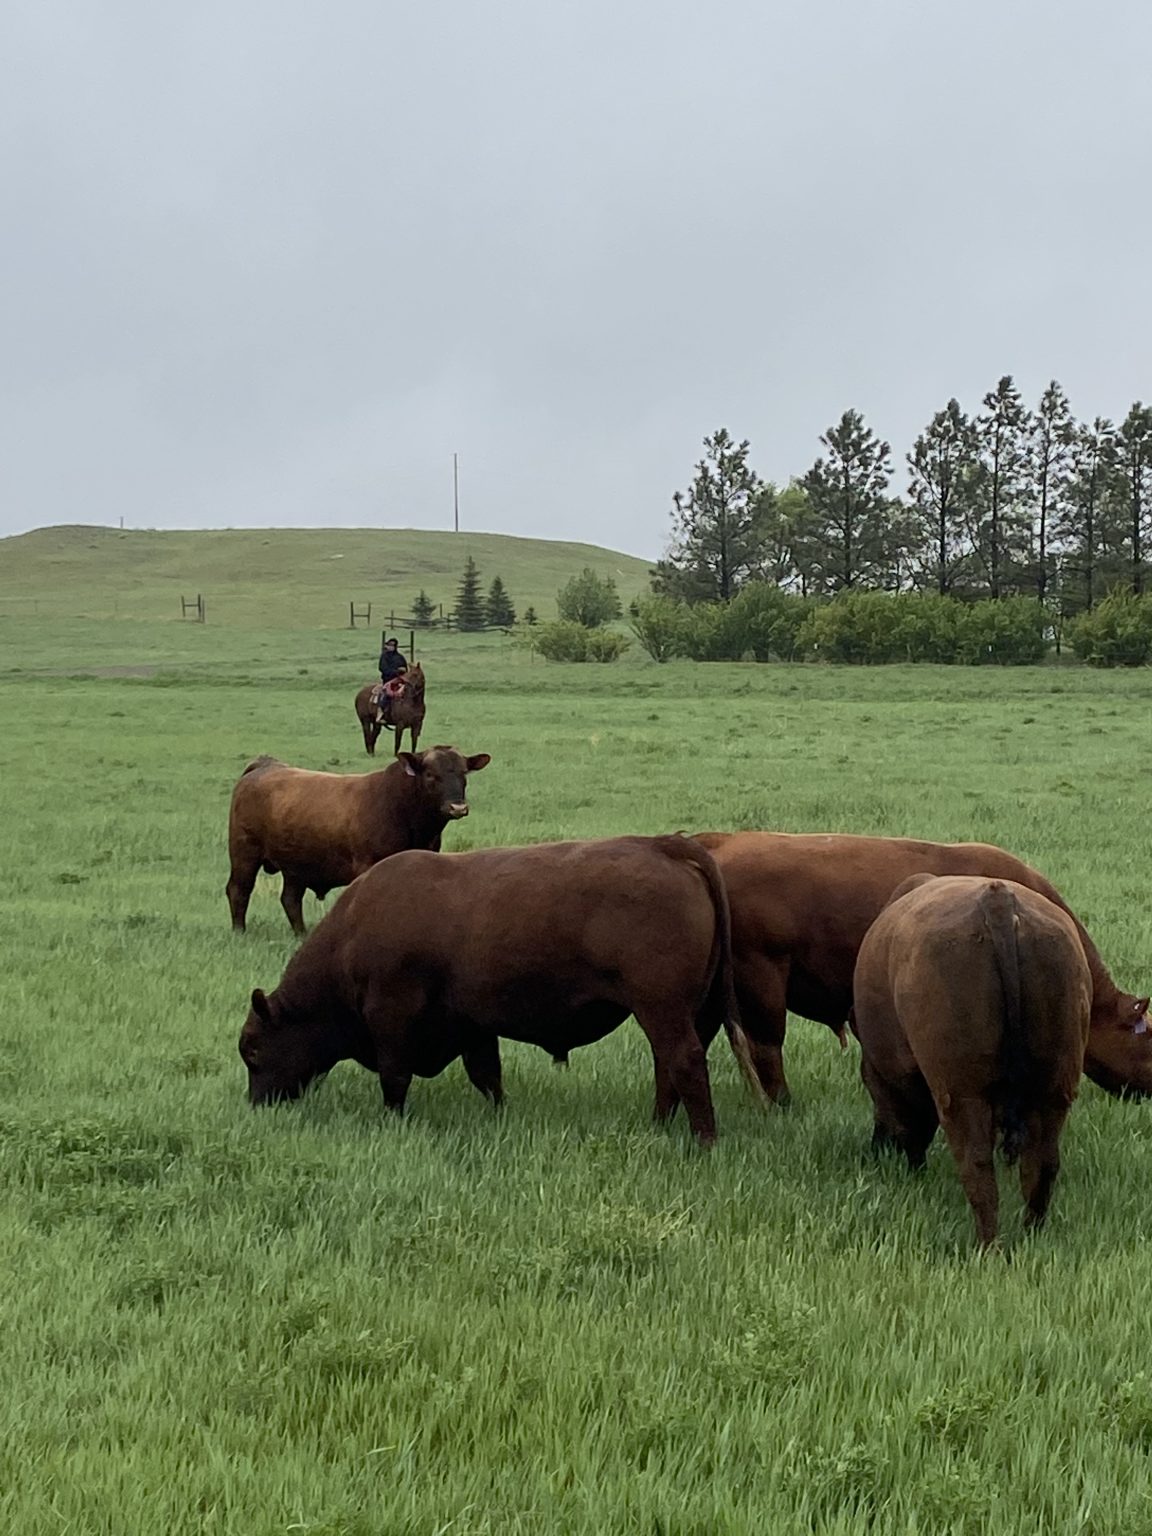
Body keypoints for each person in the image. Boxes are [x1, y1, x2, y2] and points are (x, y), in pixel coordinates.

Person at [374, 637, 409, 724]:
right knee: (387, 694)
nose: (390, 647)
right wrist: (396, 672)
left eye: (392, 645)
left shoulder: (400, 657)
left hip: (400, 680)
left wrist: (403, 671)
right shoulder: (384, 657)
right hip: (388, 680)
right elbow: (383, 668)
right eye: (389, 645)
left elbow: (405, 668)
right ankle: (381, 712)